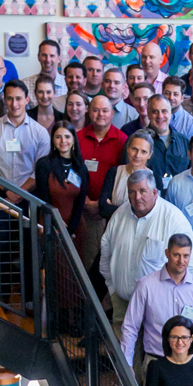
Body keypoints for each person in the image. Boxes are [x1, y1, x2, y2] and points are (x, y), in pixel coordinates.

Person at [100, 170, 193, 332]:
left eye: (142, 191)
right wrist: (112, 288)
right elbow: (106, 252)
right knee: (123, 355)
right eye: (132, 192)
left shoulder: (173, 219)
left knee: (152, 355)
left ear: (154, 192)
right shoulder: (119, 215)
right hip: (123, 304)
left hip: (158, 309)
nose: (137, 197)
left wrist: (178, 303)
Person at [0, 79, 50, 304]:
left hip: (29, 197)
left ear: (27, 100)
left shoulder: (39, 133)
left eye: (19, 98)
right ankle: (2, 295)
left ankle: (30, 297)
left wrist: (20, 192)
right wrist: (7, 191)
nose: (14, 103)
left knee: (30, 247)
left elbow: (40, 169)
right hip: (0, 196)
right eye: (9, 98)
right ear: (4, 100)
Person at [121, 234, 193, 382]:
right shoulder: (146, 286)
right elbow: (130, 327)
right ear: (167, 253)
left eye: (186, 256)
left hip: (190, 364)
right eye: (176, 255)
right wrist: (126, 364)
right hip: (156, 362)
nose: (181, 261)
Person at [77, 95, 128, 270]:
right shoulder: (77, 138)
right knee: (84, 258)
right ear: (89, 112)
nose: (100, 114)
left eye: (105, 110)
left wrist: (101, 204)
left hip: (107, 212)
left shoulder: (122, 140)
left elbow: (122, 177)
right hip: (81, 209)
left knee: (106, 260)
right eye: (96, 110)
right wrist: (83, 201)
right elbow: (71, 172)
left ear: (112, 113)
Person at [32, 121, 89, 248]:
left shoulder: (81, 168)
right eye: (58, 137)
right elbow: (44, 199)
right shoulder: (44, 164)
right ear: (53, 140)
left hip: (75, 227)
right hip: (50, 224)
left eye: (67, 137)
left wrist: (70, 230)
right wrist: (56, 224)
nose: (63, 141)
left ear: (74, 139)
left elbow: (80, 202)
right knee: (53, 265)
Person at [98, 129, 153, 219]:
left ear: (149, 155)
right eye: (134, 149)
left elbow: (153, 214)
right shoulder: (114, 173)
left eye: (143, 152)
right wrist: (138, 211)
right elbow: (103, 209)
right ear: (128, 149)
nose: (137, 155)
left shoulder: (155, 178)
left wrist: (113, 208)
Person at [146, 94, 189, 194]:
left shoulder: (185, 142)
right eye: (155, 112)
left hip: (179, 198)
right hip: (150, 202)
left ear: (170, 113)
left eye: (164, 111)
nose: (160, 116)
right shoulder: (138, 142)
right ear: (148, 114)